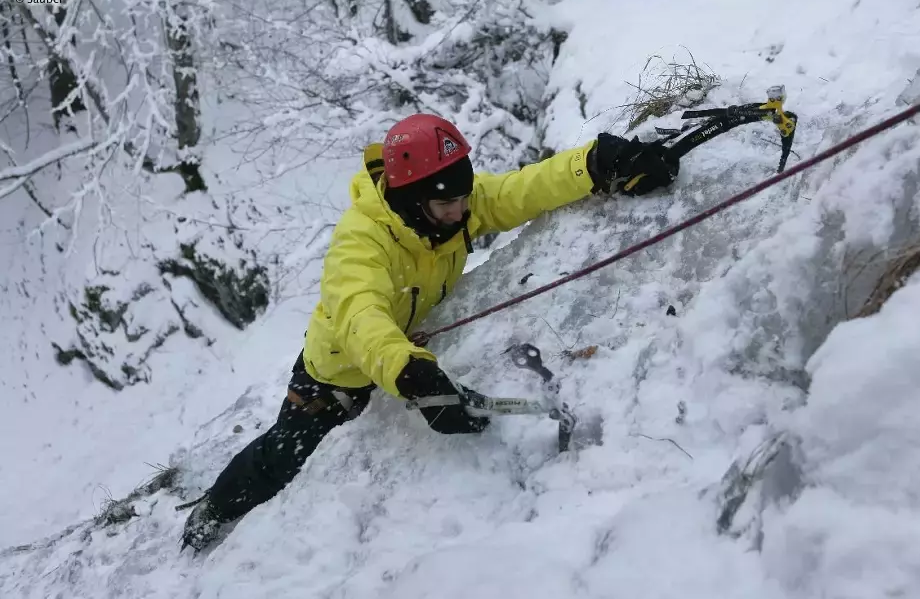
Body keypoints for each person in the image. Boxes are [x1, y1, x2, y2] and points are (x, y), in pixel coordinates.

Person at [180, 114, 678, 551]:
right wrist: (411, 373)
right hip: (337, 376)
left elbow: (517, 191)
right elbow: (360, 316)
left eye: (465, 199)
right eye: (448, 205)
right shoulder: (360, 243)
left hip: (404, 356)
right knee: (282, 460)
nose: (462, 213)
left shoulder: (446, 208)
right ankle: (211, 512)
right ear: (413, 198)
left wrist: (594, 164)